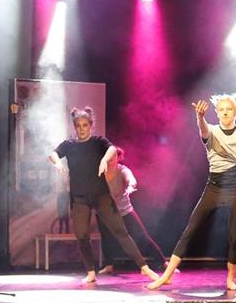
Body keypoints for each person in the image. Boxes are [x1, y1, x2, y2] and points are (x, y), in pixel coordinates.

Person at [148, 93, 236, 291]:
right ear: (217, 113)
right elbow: (204, 130)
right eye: (222, 110)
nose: (225, 112)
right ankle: (167, 275)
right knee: (190, 230)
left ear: (235, 112)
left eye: (229, 109)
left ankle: (230, 279)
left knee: (234, 236)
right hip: (214, 187)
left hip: (235, 187)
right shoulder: (212, 130)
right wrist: (200, 117)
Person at [48, 107, 159, 284]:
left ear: (90, 125)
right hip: (79, 198)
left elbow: (112, 148)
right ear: (75, 127)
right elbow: (53, 154)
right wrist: (57, 163)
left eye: (85, 125)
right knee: (82, 235)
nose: (81, 129)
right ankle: (91, 272)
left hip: (101, 196)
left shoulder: (98, 142)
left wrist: (104, 159)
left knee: (120, 232)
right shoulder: (69, 145)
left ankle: (144, 267)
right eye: (78, 126)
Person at [97, 147, 168, 274]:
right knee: (107, 238)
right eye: (109, 156)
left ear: (118, 157)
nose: (111, 159)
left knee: (141, 237)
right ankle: (109, 265)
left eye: (114, 156)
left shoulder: (122, 170)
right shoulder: (101, 170)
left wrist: (130, 186)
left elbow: (131, 179)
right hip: (105, 212)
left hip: (124, 210)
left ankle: (163, 262)